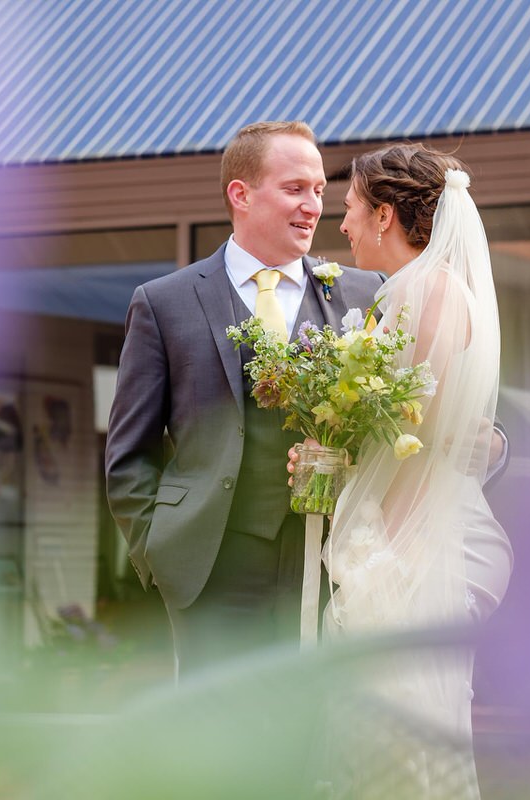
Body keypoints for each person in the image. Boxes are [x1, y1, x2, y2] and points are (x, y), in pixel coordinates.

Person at [104, 121, 386, 677]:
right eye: (294, 189)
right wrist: (158, 553)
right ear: (241, 193)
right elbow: (127, 456)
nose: (312, 206)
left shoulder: (362, 292)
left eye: (319, 192)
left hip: (328, 565)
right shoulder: (164, 303)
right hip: (208, 569)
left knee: (310, 736)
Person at [322, 143, 514, 798]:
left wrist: (390, 558)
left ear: (384, 216)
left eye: (348, 208)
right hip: (397, 533)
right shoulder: (409, 290)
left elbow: (414, 437)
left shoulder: (427, 292)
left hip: (408, 543)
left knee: (394, 739)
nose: (341, 225)